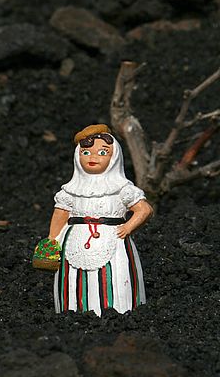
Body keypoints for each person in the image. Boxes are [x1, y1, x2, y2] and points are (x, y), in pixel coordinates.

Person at [48, 124, 153, 315]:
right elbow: (60, 214)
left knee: (114, 276)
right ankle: (71, 310)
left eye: (102, 152)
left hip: (113, 241)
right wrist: (52, 240)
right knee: (72, 280)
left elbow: (144, 210)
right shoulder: (70, 190)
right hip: (73, 242)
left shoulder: (121, 188)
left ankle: (118, 311)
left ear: (113, 158)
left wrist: (128, 226)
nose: (93, 158)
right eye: (86, 152)